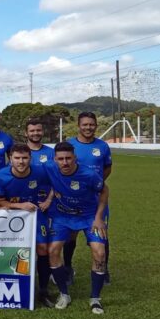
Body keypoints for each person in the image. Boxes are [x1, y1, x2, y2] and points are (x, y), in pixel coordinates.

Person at [44, 142, 109, 314]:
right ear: (54, 159)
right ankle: (64, 294)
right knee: (52, 251)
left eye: (68, 158)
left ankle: (95, 298)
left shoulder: (89, 175)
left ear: (75, 158)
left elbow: (104, 190)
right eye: (60, 159)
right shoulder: (49, 168)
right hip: (62, 216)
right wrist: (50, 199)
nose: (65, 162)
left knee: (100, 252)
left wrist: (98, 218)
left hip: (89, 217)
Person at [0, 144, 55, 307]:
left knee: (43, 249)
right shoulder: (1, 176)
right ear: (10, 159)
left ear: (30, 159)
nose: (21, 162)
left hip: (35, 214)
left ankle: (43, 291)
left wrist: (48, 200)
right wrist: (20, 206)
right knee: (13, 250)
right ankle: (9, 285)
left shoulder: (40, 171)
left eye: (25, 158)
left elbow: (57, 183)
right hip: (13, 215)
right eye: (17, 158)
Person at [64, 112, 114, 285]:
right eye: (85, 124)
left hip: (95, 200)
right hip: (71, 200)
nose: (88, 127)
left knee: (101, 233)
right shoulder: (69, 144)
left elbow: (107, 168)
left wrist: (96, 183)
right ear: (78, 125)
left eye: (91, 124)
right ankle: (68, 268)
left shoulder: (103, 146)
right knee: (70, 235)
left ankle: (104, 268)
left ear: (96, 126)